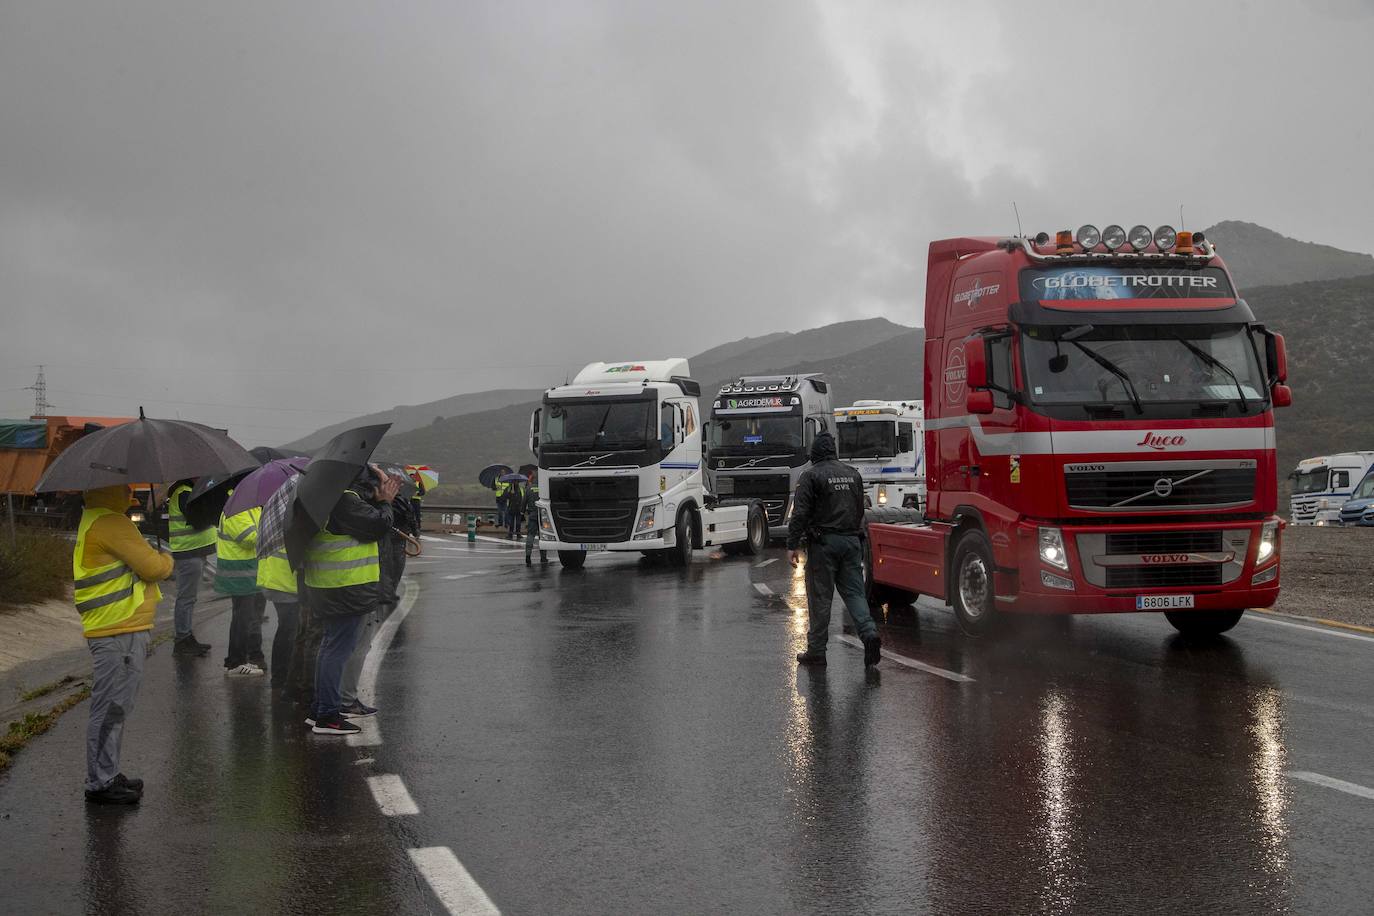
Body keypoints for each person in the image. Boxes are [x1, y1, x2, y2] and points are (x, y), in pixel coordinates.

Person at [73, 485, 173, 804]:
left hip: (117, 626)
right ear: (113, 487)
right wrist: (166, 558)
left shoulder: (95, 517)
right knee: (110, 708)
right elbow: (153, 568)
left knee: (116, 707)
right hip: (117, 627)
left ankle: (108, 772)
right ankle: (100, 782)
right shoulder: (111, 522)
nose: (131, 491)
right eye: (126, 486)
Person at [305, 465, 399, 736]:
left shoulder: (327, 496)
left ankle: (320, 709)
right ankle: (328, 716)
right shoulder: (345, 501)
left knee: (330, 647)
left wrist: (377, 499)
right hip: (345, 586)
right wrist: (385, 501)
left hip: (329, 585)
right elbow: (378, 525)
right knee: (336, 650)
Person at [787, 431, 882, 668]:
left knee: (820, 598)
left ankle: (817, 651)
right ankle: (869, 633)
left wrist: (792, 545)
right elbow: (860, 510)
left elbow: (800, 513)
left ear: (814, 452)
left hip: (823, 545)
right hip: (851, 542)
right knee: (855, 594)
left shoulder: (811, 476)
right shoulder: (853, 474)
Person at [214, 502, 266, 677]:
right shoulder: (236, 509)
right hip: (239, 572)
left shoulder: (252, 508)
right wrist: (270, 530)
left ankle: (238, 659)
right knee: (242, 619)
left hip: (248, 571)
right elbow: (249, 538)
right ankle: (236, 663)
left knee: (245, 617)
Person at [165, 479, 215, 657]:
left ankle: (186, 636)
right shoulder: (185, 493)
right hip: (189, 553)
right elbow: (198, 520)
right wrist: (211, 509)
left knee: (189, 598)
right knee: (186, 598)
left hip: (194, 552)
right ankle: (182, 639)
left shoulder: (188, 491)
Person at [255, 536, 301, 692]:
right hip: (283, 582)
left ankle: (282, 677)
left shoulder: (272, 524)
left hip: (279, 579)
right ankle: (281, 678)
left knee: (288, 630)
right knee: (288, 630)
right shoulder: (285, 525)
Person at [524, 470, 546, 565]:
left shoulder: (529, 488)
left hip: (532, 515)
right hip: (543, 516)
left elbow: (524, 502)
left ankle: (528, 556)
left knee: (530, 535)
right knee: (543, 537)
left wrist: (522, 512)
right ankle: (543, 557)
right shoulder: (544, 488)